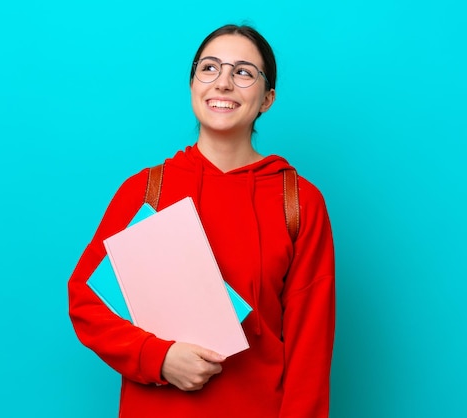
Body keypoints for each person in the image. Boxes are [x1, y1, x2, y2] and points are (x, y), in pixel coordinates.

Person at [68, 24, 335, 417]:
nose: (223, 82)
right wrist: (158, 358)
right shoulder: (145, 190)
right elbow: (86, 301)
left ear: (267, 99)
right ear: (193, 83)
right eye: (210, 68)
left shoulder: (298, 202)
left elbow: (310, 349)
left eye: (243, 72)